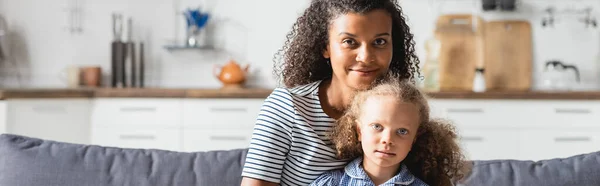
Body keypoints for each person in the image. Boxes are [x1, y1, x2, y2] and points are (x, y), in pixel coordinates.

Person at [240, 0, 421, 185]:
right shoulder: (287, 107)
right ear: (325, 47)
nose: (365, 56)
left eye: (379, 42)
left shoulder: (405, 111)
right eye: (349, 42)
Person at [310, 77, 466, 186]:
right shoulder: (330, 183)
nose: (387, 139)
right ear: (359, 131)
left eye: (402, 131)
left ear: (414, 139)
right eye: (377, 126)